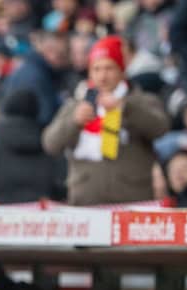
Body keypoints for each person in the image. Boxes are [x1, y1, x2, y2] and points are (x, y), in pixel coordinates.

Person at [43, 35, 170, 205]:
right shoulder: (77, 104)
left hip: (132, 201)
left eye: (109, 68)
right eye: (96, 69)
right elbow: (50, 144)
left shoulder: (141, 100)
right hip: (86, 202)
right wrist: (74, 121)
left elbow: (160, 128)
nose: (102, 76)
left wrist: (126, 109)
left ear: (121, 70)